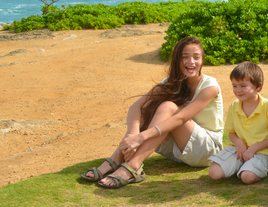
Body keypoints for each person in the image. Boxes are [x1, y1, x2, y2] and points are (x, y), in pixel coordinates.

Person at [80, 36, 224, 188]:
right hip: (181, 149)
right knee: (149, 108)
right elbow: (136, 107)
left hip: (207, 150)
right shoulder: (170, 82)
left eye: (197, 57)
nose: (191, 62)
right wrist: (133, 134)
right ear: (177, 60)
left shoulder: (210, 86)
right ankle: (117, 158)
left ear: (202, 60)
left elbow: (180, 118)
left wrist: (141, 137)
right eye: (185, 57)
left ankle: (134, 165)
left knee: (168, 107)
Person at [207, 62, 268, 184]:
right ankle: (242, 165)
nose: (238, 90)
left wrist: (253, 148)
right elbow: (231, 133)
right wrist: (239, 143)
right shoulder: (234, 105)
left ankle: (252, 168)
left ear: (258, 86)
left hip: (261, 152)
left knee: (247, 177)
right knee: (214, 173)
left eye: (243, 86)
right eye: (234, 86)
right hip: (238, 150)